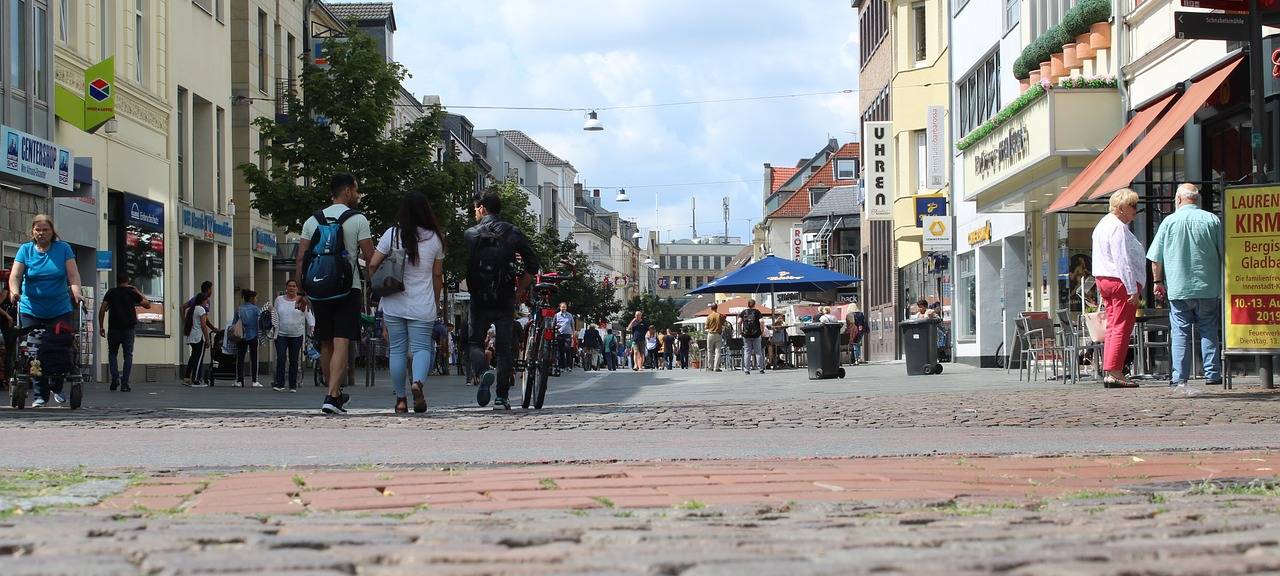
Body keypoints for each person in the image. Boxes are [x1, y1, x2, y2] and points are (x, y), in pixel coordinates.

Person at [296, 174, 375, 414]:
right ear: (348, 191)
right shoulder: (358, 219)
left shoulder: (312, 220)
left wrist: (301, 291)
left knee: (325, 341)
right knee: (342, 340)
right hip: (347, 288)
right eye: (356, 190)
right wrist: (376, 287)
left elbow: (301, 258)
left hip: (319, 289)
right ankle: (331, 396)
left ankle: (335, 395)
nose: (358, 195)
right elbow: (371, 258)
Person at [367, 191, 446, 414]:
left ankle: (401, 400)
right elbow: (437, 275)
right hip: (422, 303)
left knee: (397, 351)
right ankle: (417, 383)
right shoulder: (436, 239)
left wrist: (377, 284)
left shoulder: (392, 234)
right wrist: (436, 301)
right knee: (422, 348)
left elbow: (373, 264)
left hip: (394, 301)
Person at [464, 192, 539, 410]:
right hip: (505, 297)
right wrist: (519, 291)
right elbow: (532, 264)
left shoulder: (470, 234)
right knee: (505, 348)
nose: (474, 212)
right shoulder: (512, 232)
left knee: (474, 343)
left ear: (482, 208)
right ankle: (501, 397)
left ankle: (483, 371)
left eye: (475, 208)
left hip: (479, 297)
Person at [1148, 183, 1223, 394]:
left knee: (1180, 333)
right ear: (1196, 199)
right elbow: (1224, 252)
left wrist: (1157, 282)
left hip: (1179, 288)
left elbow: (1155, 258)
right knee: (1209, 329)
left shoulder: (1168, 222)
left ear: (1179, 199)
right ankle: (1213, 374)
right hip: (1208, 287)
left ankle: (1179, 377)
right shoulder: (1212, 220)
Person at [8, 215, 82, 407]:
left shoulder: (63, 249)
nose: (41, 233)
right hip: (31, 309)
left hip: (59, 309)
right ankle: (40, 395)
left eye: (45, 230)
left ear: (52, 232)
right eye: (38, 230)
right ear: (32, 231)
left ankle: (57, 385)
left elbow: (73, 276)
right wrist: (15, 292)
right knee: (34, 352)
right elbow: (15, 276)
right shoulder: (25, 250)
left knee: (58, 347)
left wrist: (76, 292)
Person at [1092, 188, 1145, 388]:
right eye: (1132, 206)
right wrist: (1132, 289)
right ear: (1121, 207)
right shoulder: (1118, 227)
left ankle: (1110, 370)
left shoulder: (1103, 224)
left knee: (1113, 326)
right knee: (1122, 326)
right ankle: (1115, 371)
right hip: (1119, 281)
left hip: (1105, 279)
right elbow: (1123, 260)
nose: (1135, 210)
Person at [98, 273, 149, 392]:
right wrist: (138, 291)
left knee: (112, 353)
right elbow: (147, 305)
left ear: (117, 281)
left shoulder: (111, 292)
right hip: (129, 329)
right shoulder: (132, 293)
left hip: (114, 328)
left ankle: (115, 379)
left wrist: (101, 326)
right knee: (128, 355)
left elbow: (102, 309)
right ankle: (125, 383)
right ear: (128, 280)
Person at [271, 280, 313, 393]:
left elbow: (308, 315)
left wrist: (312, 327)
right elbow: (274, 314)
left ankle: (292, 385)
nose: (292, 288)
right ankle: (280, 384)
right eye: (289, 286)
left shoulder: (301, 300)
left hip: (296, 335)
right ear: (286, 287)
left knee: (294, 360)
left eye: (294, 286)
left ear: (297, 289)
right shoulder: (279, 300)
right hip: (281, 334)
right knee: (281, 358)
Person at [183, 292, 217, 386]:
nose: (207, 303)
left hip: (191, 336)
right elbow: (203, 325)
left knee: (193, 357)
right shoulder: (201, 310)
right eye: (206, 301)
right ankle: (196, 379)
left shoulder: (191, 309)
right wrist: (207, 339)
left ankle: (187, 378)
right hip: (198, 337)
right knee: (198, 359)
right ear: (202, 301)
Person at [234, 290, 263, 388]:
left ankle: (239, 381)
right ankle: (255, 381)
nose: (256, 300)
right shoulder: (256, 309)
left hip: (241, 336)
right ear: (251, 298)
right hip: (253, 335)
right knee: (254, 358)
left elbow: (234, 323)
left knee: (240, 358)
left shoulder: (239, 309)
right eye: (256, 298)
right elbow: (260, 322)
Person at [740, 299, 765, 374]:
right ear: (754, 304)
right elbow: (762, 321)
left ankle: (747, 369)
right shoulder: (757, 312)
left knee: (747, 352)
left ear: (748, 304)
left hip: (746, 335)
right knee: (758, 351)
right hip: (756, 334)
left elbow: (738, 322)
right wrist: (762, 330)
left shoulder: (743, 312)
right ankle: (761, 368)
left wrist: (740, 330)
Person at [554, 302, 574, 372]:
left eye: (564, 307)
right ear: (560, 308)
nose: (563, 308)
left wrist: (573, 334)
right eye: (562, 307)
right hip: (560, 334)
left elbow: (572, 324)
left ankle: (569, 366)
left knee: (567, 349)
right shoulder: (557, 315)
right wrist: (556, 327)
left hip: (568, 334)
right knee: (561, 351)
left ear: (566, 308)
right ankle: (561, 366)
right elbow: (553, 325)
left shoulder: (569, 315)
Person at [705, 303, 724, 372]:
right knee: (718, 351)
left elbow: (706, 327)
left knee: (710, 351)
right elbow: (723, 323)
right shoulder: (720, 315)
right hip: (718, 334)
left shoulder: (709, 316)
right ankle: (716, 367)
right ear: (717, 307)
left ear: (711, 308)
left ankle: (710, 367)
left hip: (710, 334)